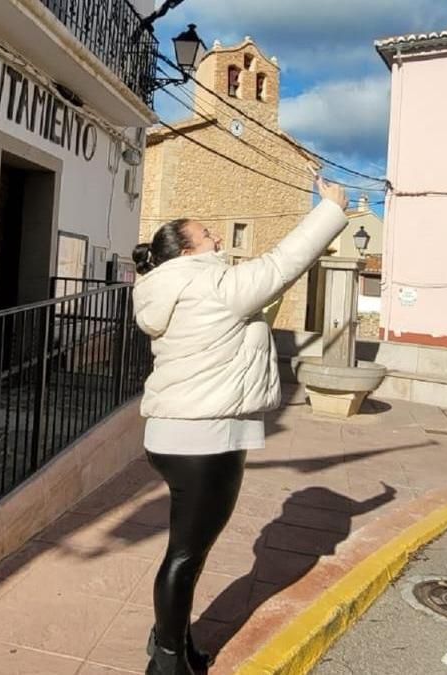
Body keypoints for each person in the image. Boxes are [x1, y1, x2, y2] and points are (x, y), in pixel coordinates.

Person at [131, 177, 351, 675]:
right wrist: (331, 208)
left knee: (185, 552)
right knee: (186, 556)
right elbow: (282, 265)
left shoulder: (167, 288)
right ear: (187, 250)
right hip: (207, 440)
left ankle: (175, 642)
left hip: (170, 436)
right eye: (208, 234)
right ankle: (166, 660)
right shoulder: (212, 284)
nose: (219, 240)